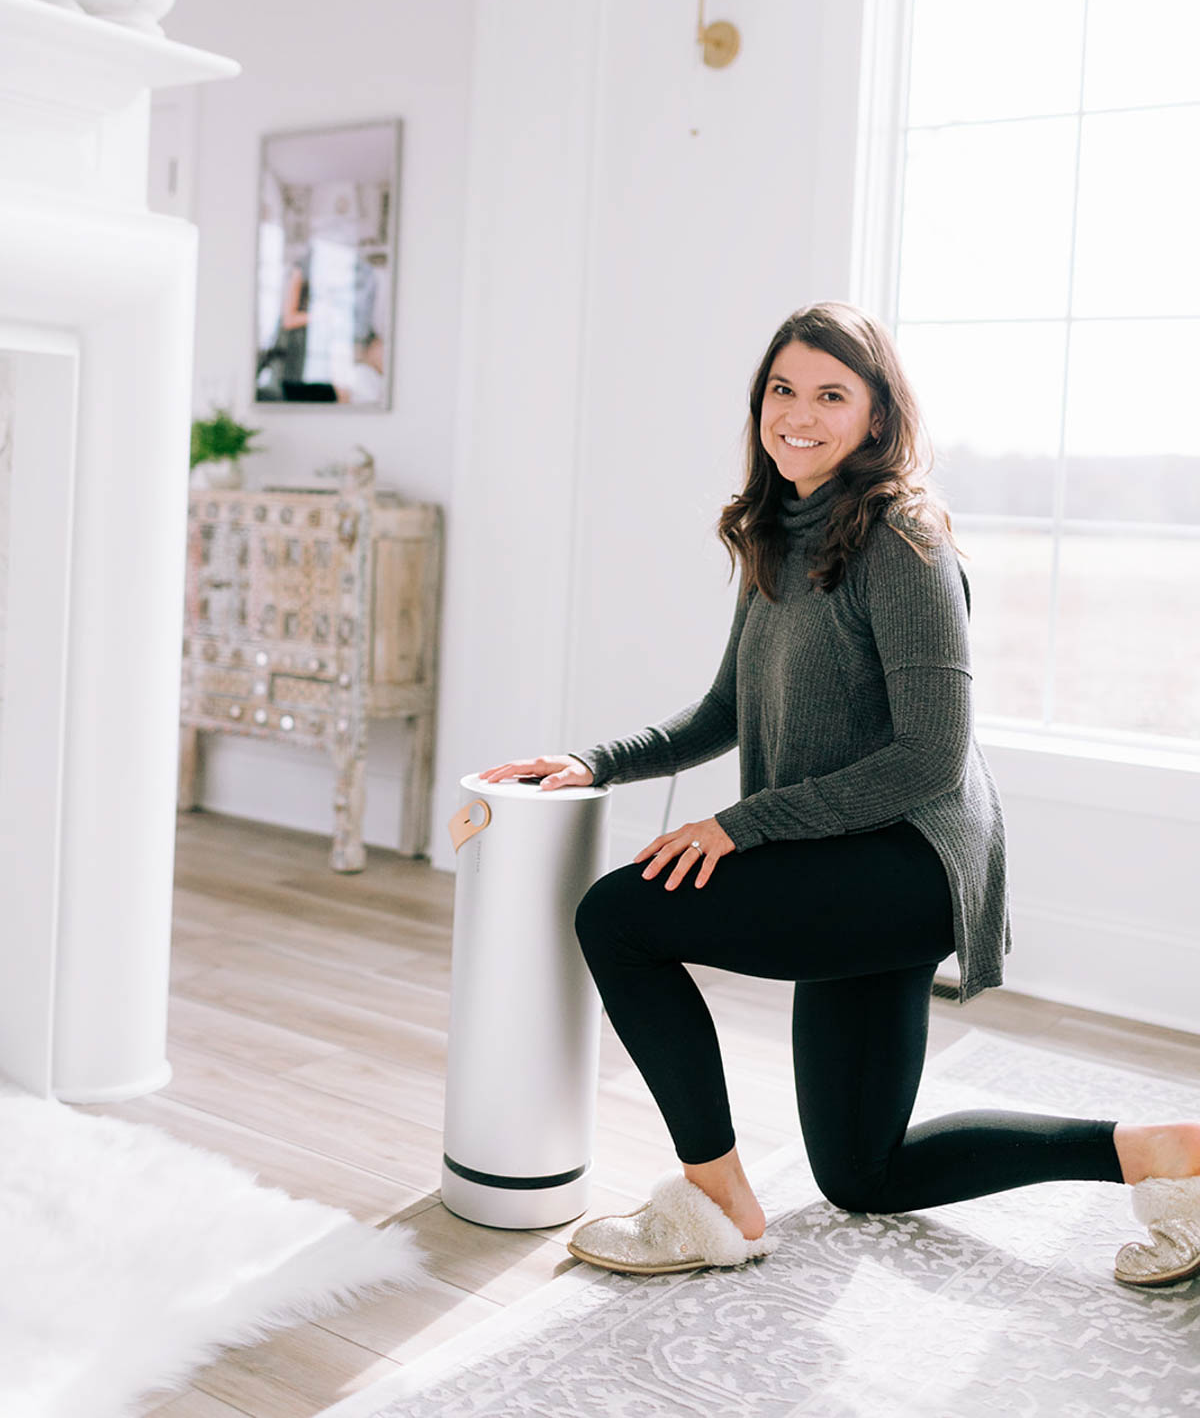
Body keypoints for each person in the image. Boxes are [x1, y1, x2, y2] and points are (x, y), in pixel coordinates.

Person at [479, 301, 1200, 1285]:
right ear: (759, 403)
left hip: (909, 860)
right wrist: (595, 761)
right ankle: (1171, 1154)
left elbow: (932, 758)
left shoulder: (903, 538)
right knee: (867, 1170)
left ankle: (713, 1197)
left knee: (619, 916)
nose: (800, 414)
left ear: (875, 416)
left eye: (831, 393)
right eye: (784, 389)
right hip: (843, 853)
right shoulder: (778, 529)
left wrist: (741, 824)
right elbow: (724, 708)